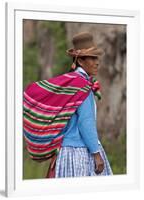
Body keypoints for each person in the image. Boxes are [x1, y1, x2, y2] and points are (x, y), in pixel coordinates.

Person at [54, 32, 113, 177]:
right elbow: (85, 122)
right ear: (80, 61)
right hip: (80, 152)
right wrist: (96, 152)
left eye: (96, 57)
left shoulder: (70, 83)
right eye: (92, 58)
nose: (97, 62)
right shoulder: (82, 86)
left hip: (65, 152)